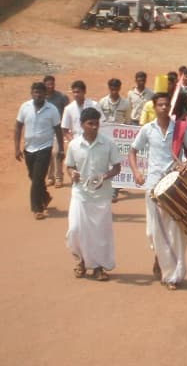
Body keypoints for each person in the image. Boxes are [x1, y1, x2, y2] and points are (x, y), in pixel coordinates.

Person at [128, 93, 187, 290]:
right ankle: (159, 257)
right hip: (153, 186)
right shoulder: (147, 129)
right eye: (160, 105)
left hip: (175, 185)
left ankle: (172, 275)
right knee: (153, 231)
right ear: (154, 107)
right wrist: (136, 172)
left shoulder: (181, 129)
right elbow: (132, 151)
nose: (164, 108)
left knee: (175, 231)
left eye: (167, 105)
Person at [65, 107, 121, 281]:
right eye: (90, 124)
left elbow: (117, 167)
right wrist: (71, 174)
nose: (94, 127)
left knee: (99, 234)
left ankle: (98, 267)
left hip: (102, 195)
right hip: (80, 194)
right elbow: (69, 166)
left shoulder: (108, 143)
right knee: (75, 230)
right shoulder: (74, 144)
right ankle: (80, 260)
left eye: (97, 124)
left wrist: (104, 177)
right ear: (82, 125)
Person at [14, 82, 64, 220]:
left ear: (45, 94)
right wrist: (16, 148)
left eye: (40, 92)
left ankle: (37, 208)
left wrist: (61, 149)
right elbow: (18, 127)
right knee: (33, 176)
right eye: (35, 92)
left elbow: (58, 129)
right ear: (31, 93)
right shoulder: (25, 107)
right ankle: (45, 196)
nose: (38, 94)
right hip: (29, 148)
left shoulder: (52, 109)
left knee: (37, 179)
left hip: (45, 148)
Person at [43, 75, 69, 188]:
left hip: (57, 130)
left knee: (57, 152)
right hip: (45, 130)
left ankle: (59, 177)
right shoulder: (41, 98)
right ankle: (50, 177)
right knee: (47, 154)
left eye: (52, 84)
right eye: (48, 84)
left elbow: (67, 111)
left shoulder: (61, 97)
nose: (51, 86)